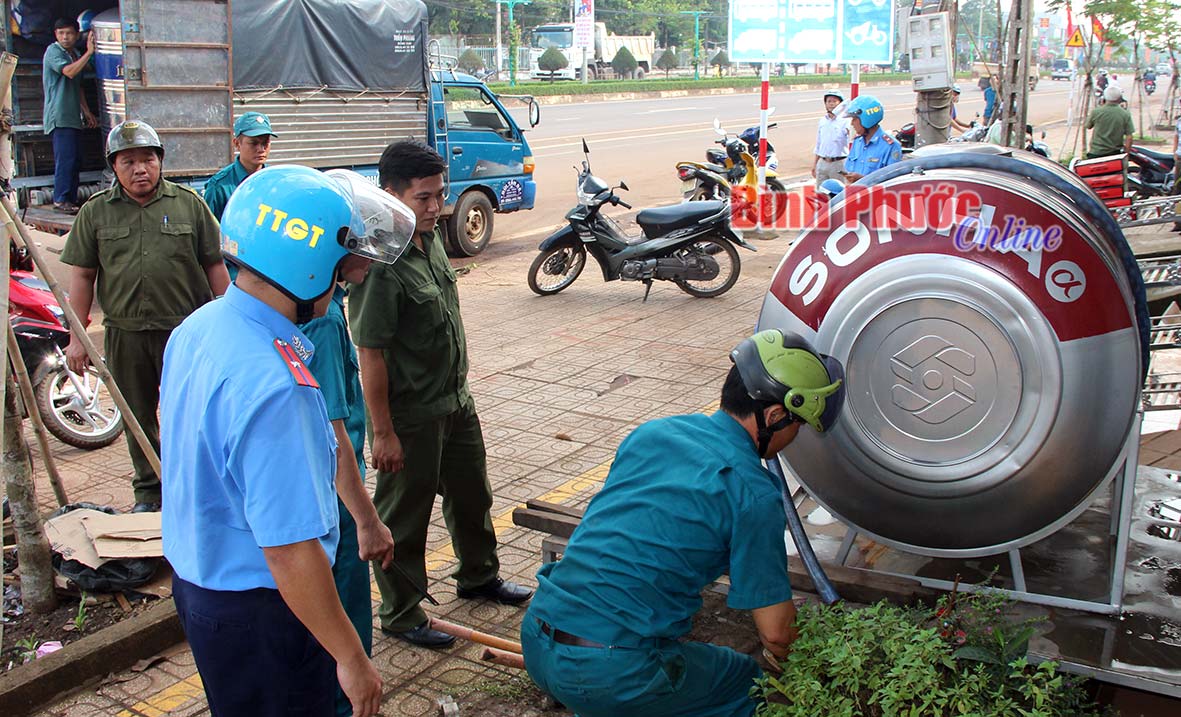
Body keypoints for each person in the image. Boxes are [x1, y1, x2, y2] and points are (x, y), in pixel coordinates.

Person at [160, 164, 412, 716]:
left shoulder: (199, 328)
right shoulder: (279, 387)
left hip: (200, 587)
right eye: (343, 264)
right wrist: (350, 657)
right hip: (267, 611)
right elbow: (290, 550)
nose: (353, 276)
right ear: (308, 263)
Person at [521, 329, 847, 717]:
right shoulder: (753, 494)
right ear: (775, 416)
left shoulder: (652, 433)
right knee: (747, 682)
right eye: (799, 426)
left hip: (537, 637)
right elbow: (776, 634)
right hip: (612, 672)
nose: (795, 437)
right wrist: (825, 673)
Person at [349, 140, 533, 648]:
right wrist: (382, 433)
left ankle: (479, 577)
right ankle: (403, 613)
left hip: (455, 401)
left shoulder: (427, 238)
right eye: (424, 198)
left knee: (472, 495)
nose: (436, 207)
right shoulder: (381, 261)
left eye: (440, 195)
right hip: (411, 416)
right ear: (391, 195)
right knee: (404, 520)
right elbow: (371, 354)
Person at [60, 120, 230, 513]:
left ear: (160, 162)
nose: (140, 169)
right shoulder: (95, 213)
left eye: (148, 159)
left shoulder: (189, 204)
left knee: (191, 414)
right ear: (114, 168)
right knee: (137, 417)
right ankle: (149, 493)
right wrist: (77, 337)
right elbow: (83, 276)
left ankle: (196, 490)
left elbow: (215, 266)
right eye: (129, 161)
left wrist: (231, 322)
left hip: (187, 333)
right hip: (125, 334)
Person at [298, 170, 406, 717]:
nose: (370, 258)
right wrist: (367, 519)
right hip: (333, 504)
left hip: (325, 495)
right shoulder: (318, 323)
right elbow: (334, 433)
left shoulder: (319, 306)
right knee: (344, 616)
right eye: (358, 247)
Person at [42, 17, 98, 214]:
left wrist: (87, 112)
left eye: (69, 33)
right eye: (61, 33)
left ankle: (71, 199)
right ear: (56, 35)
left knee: (75, 160)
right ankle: (61, 199)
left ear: (76, 35)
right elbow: (69, 73)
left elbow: (78, 87)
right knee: (65, 159)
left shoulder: (73, 53)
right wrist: (90, 53)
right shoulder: (54, 51)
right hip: (59, 116)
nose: (65, 37)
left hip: (73, 117)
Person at [203, 111, 278, 221]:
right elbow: (210, 232)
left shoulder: (276, 181)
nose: (261, 149)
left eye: (265, 143)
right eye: (254, 143)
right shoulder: (220, 187)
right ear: (237, 144)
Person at [842, 95, 902, 183]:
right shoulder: (857, 142)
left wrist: (862, 179)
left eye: (854, 119)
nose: (852, 123)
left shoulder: (891, 146)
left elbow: (892, 182)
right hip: (855, 194)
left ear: (866, 119)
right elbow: (849, 168)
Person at [811, 89, 849, 188]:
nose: (831, 104)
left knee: (838, 194)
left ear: (841, 104)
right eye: (829, 101)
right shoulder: (823, 121)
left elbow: (851, 142)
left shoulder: (846, 121)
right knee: (821, 193)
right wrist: (815, 165)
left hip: (839, 163)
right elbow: (819, 144)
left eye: (834, 101)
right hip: (822, 163)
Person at [1086, 86, 1134, 159]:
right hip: (1115, 154)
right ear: (1119, 98)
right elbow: (1129, 137)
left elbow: (1088, 126)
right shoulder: (1125, 113)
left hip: (1096, 153)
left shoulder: (1096, 112)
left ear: (1104, 97)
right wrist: (1126, 154)